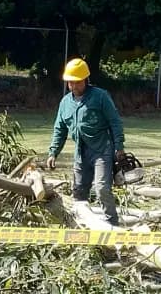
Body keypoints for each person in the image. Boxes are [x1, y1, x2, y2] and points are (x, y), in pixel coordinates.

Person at [45, 58, 125, 224]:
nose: (73, 86)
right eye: (70, 83)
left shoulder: (100, 97)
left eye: (77, 82)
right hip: (81, 153)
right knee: (79, 192)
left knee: (102, 188)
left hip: (102, 150)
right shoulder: (65, 103)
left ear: (85, 80)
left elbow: (115, 121)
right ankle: (81, 223)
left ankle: (112, 223)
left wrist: (119, 147)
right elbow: (60, 129)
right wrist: (53, 152)